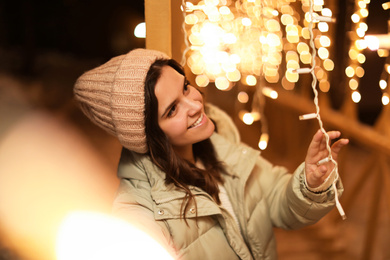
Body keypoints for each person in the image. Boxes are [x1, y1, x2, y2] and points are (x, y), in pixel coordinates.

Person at [74, 48, 349, 259]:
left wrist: (310, 183)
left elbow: (278, 202)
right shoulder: (139, 208)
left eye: (185, 87)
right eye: (172, 110)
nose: (193, 104)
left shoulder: (223, 148)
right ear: (150, 135)